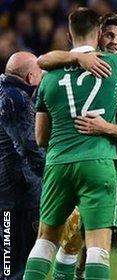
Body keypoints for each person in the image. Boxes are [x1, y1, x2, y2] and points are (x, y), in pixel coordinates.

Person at [23, 7, 117, 280]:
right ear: (99, 35)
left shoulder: (49, 76)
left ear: (68, 34)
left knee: (45, 241)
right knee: (98, 247)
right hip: (99, 162)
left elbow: (41, 137)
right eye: (108, 34)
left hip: (58, 163)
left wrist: (75, 60)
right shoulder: (115, 66)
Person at [0, 51, 44, 280]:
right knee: (15, 267)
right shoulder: (15, 99)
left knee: (7, 263)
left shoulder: (3, 90)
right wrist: (53, 174)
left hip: (7, 196)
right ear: (29, 78)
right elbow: (29, 146)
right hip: (15, 199)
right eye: (40, 73)